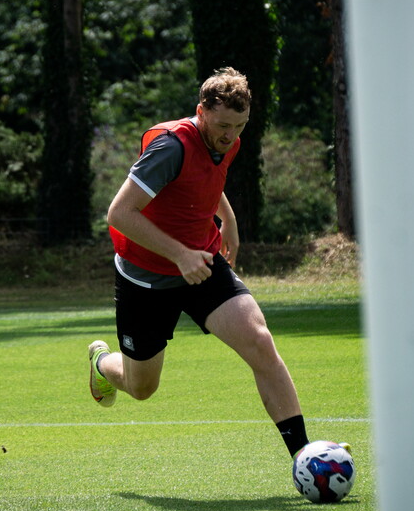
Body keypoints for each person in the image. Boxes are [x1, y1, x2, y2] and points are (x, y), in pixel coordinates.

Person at [88, 66, 311, 460]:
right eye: (223, 124)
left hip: (203, 264)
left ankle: (304, 457)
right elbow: (118, 213)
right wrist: (178, 254)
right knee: (141, 388)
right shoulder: (169, 148)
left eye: (239, 126)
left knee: (259, 342)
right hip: (147, 278)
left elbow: (205, 178)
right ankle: (103, 363)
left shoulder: (229, 142)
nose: (230, 136)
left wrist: (228, 219)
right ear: (202, 111)